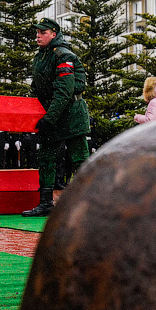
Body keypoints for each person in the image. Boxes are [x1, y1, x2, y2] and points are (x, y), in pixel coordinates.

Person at [22, 18, 91, 217]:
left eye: (42, 32)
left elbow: (64, 91)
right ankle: (45, 203)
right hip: (53, 114)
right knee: (46, 159)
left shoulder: (63, 55)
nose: (38, 35)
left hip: (71, 115)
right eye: (37, 32)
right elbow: (37, 87)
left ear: (53, 34)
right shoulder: (41, 57)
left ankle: (87, 202)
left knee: (79, 159)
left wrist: (49, 119)